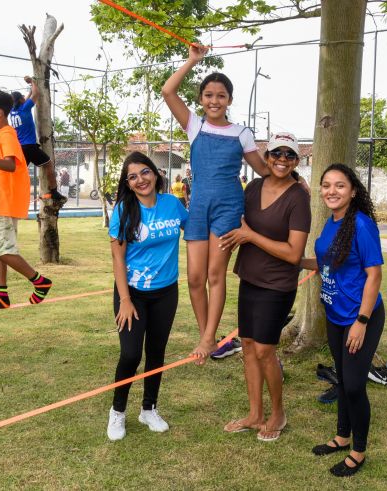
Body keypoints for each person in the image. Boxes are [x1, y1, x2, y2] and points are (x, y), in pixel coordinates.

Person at [162, 44, 267, 364]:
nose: (214, 100)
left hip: (228, 208)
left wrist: (293, 178)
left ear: (229, 100)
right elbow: (168, 91)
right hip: (198, 208)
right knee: (194, 277)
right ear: (201, 100)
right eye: (208, 95)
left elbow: (263, 170)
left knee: (214, 274)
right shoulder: (196, 125)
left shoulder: (241, 133)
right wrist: (193, 60)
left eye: (221, 95)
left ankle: (208, 339)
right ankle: (207, 334)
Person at [218, 132, 311, 442]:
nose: (281, 159)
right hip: (250, 278)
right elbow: (236, 220)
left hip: (278, 285)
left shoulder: (299, 197)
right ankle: (255, 413)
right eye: (276, 153)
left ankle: (278, 413)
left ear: (297, 161)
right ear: (266, 157)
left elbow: (294, 253)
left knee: (264, 350)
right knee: (247, 345)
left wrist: (251, 237)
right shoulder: (255, 186)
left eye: (289, 155)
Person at [301, 163, 385, 478]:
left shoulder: (361, 225)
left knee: (352, 386)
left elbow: (374, 275)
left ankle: (358, 452)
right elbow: (324, 262)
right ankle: (341, 436)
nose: (331, 191)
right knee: (343, 379)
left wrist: (361, 321)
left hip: (361, 317)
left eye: (339, 185)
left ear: (352, 191)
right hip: (335, 316)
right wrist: (294, 261)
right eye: (326, 185)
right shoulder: (331, 224)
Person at [107, 151, 188, 441]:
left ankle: (149, 409)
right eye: (132, 176)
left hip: (167, 292)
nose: (140, 180)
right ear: (127, 184)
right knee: (130, 354)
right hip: (133, 294)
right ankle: (117, 413)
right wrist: (125, 300)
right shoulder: (123, 211)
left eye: (144, 172)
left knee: (156, 352)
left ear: (155, 174)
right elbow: (118, 259)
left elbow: (194, 231)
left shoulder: (172, 204)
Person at [0, 89, 53, 312]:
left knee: (1, 248)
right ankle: (1, 295)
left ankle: (39, 282)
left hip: (6, 201)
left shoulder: (7, 134)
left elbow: (11, 164)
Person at [10, 76, 67, 206]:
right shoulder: (25, 108)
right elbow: (36, 94)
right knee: (48, 165)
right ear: (21, 100)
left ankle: (14, 193)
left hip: (20, 148)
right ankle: (54, 192)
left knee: (20, 172)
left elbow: (27, 96)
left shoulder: (12, 112)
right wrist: (32, 82)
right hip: (30, 146)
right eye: (23, 98)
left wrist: (30, 89)